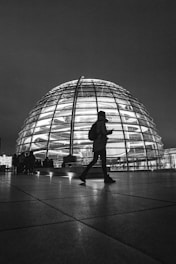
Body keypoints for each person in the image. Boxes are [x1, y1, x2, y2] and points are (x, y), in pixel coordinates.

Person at [79, 111, 116, 184]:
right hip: (101, 145)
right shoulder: (101, 123)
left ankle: (83, 174)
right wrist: (110, 132)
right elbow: (104, 132)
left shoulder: (96, 124)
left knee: (94, 160)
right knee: (103, 162)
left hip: (96, 145)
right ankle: (106, 178)